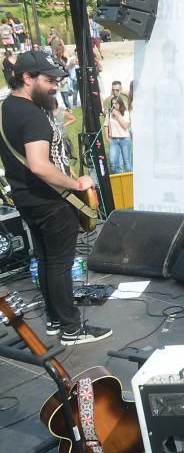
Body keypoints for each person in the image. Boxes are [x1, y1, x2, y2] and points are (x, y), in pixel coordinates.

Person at [0, 51, 111, 345]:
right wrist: (75, 183)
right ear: (27, 78)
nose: (55, 87)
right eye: (49, 81)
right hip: (49, 201)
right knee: (60, 264)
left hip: (26, 199)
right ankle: (72, 329)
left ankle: (54, 319)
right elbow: (39, 165)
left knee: (47, 261)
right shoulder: (32, 116)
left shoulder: (6, 108)